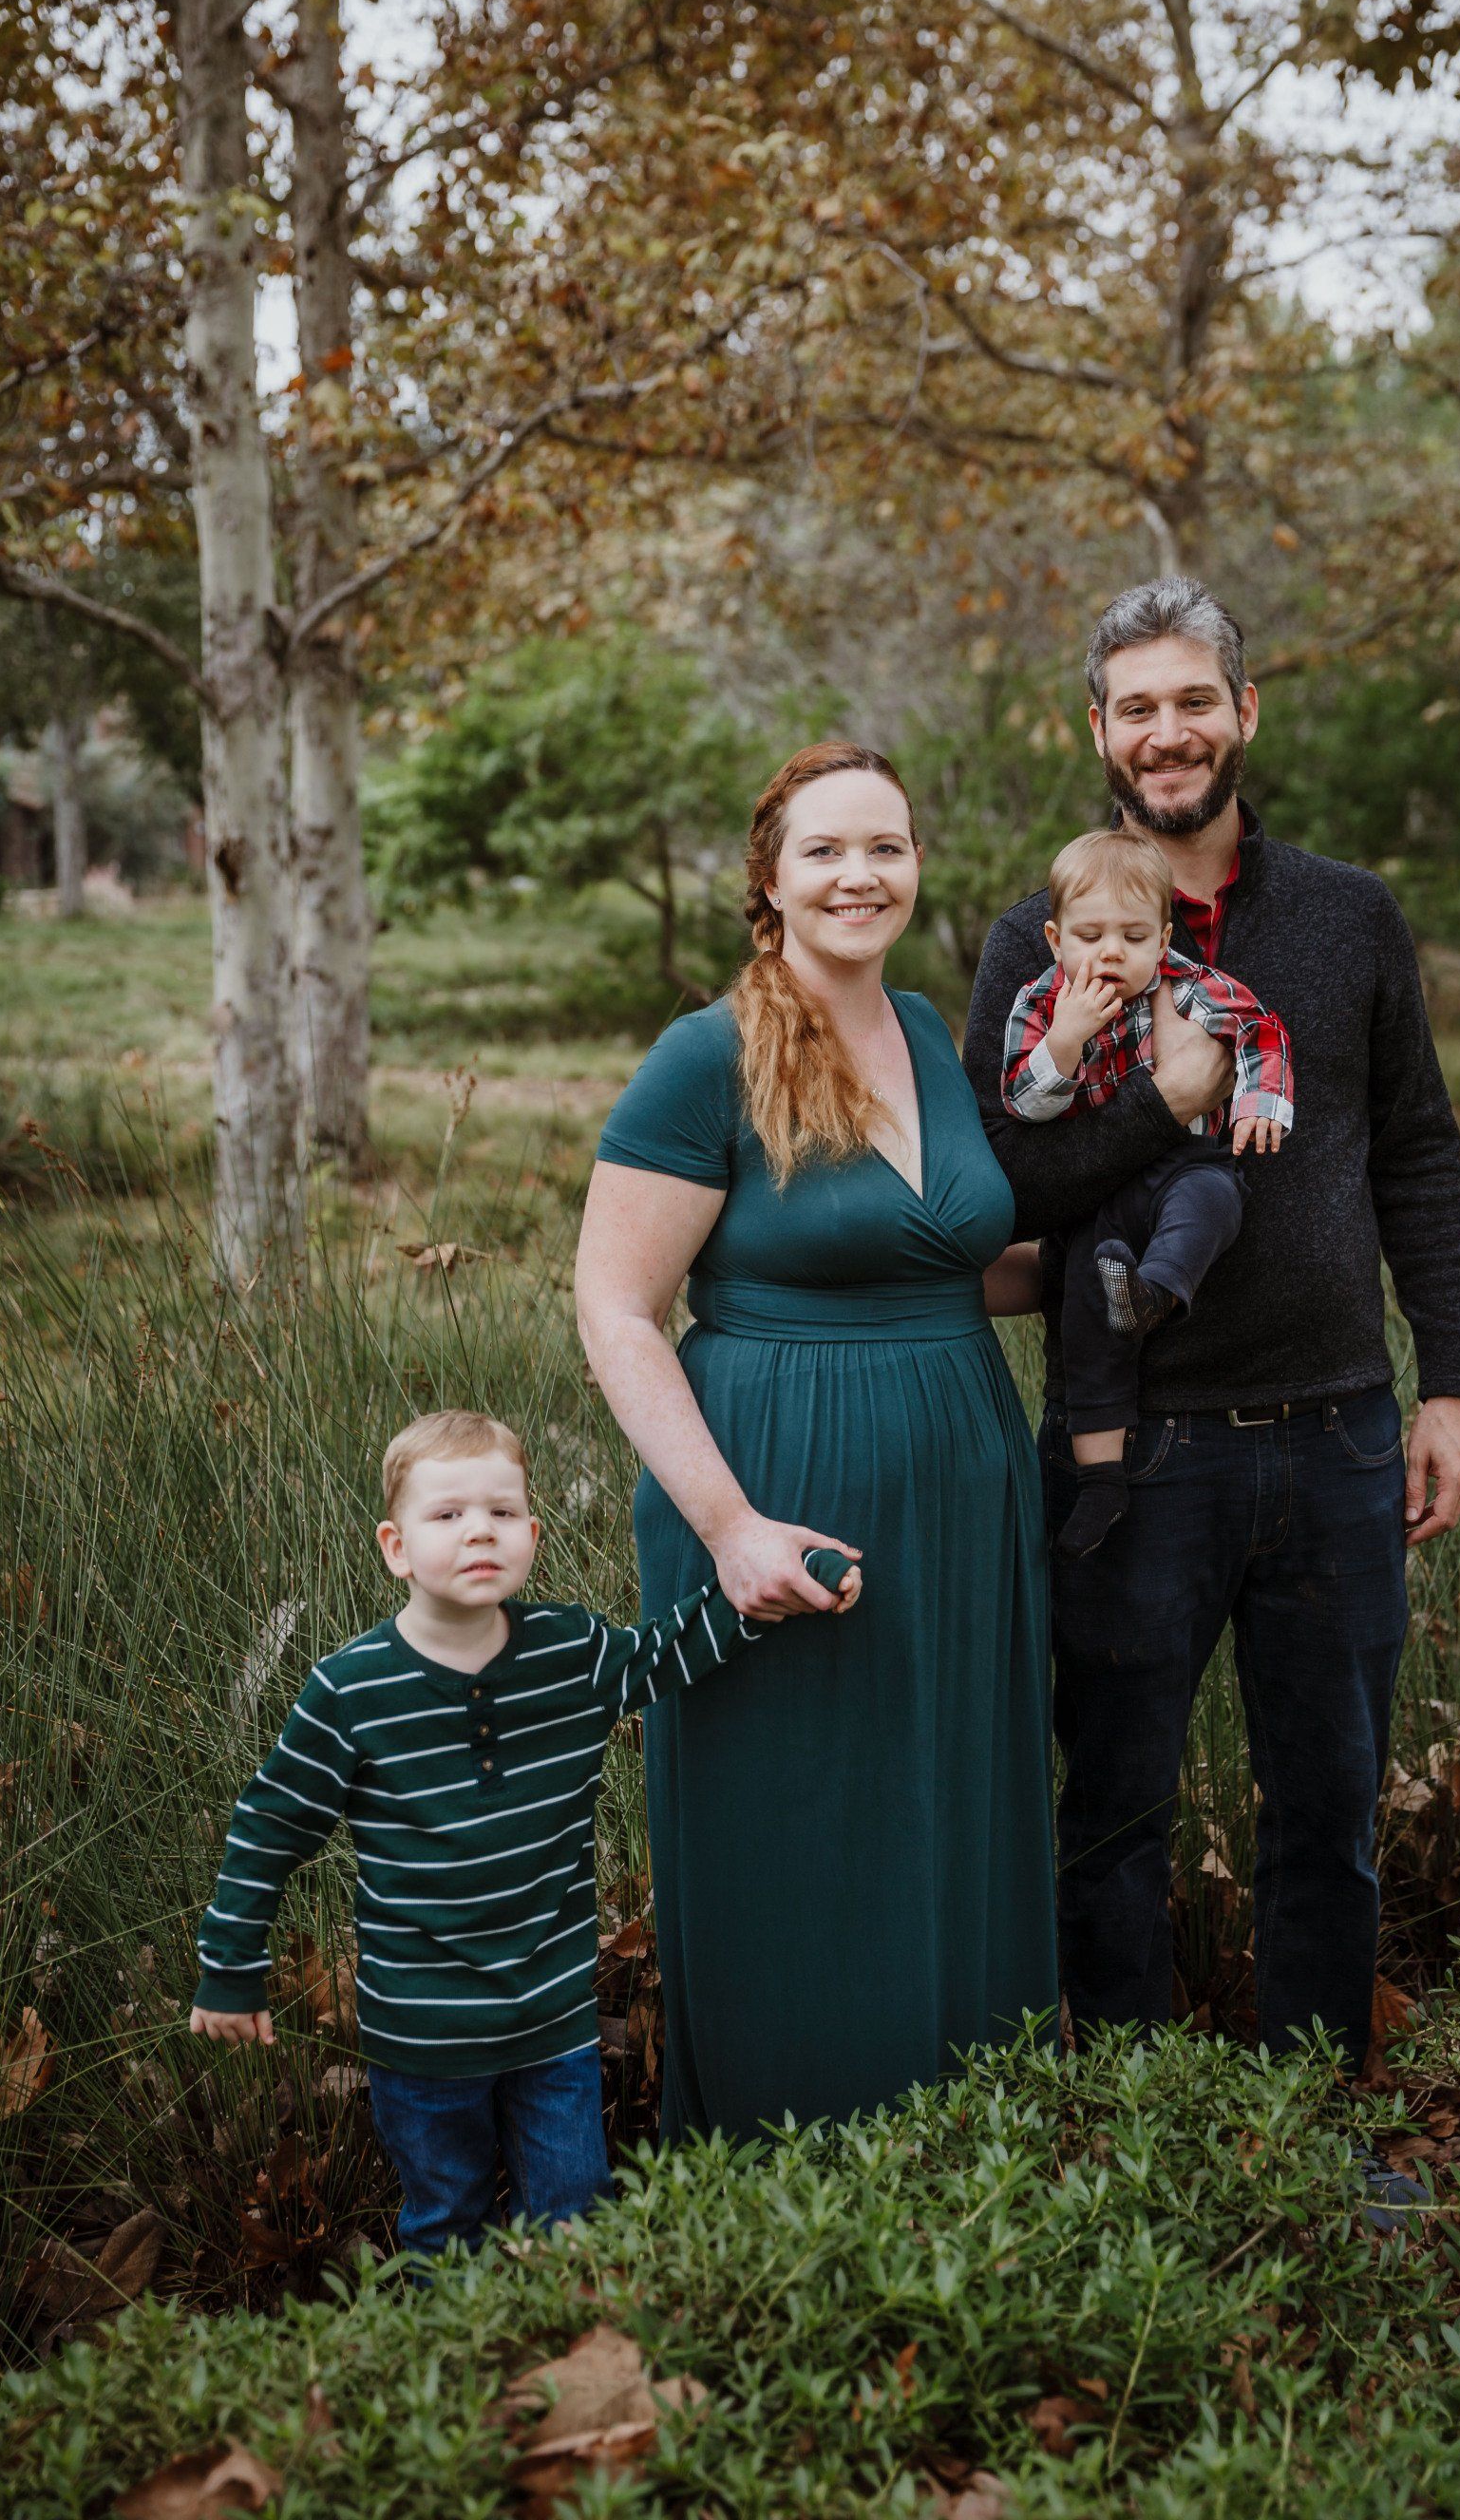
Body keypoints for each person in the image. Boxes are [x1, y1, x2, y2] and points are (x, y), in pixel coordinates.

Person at [964, 577, 1460, 2112]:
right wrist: (1163, 1104)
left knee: (1326, 1814)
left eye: (1195, 700)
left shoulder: (1348, 915)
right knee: (1114, 1814)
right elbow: (1003, 1190)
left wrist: (1449, 1386)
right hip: (1135, 1457)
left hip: (1339, 1435)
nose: (1168, 732)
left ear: (1243, 712)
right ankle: (1142, 2144)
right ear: (1098, 732)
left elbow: (1417, 1152)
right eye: (1137, 708)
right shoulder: (1036, 942)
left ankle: (1318, 2133)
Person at [576, 740, 1056, 2143]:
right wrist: (729, 1528)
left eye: (885, 847)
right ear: (771, 881)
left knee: (952, 1811)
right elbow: (614, 1306)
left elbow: (943, 1263)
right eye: (827, 850)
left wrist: (1153, 1260)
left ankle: (962, 2152)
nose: (861, 875)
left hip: (964, 1487)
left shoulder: (925, 1029)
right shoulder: (707, 1054)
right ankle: (792, 2166)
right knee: (800, 1831)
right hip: (776, 1491)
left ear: (918, 866)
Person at [187, 1408, 781, 2256]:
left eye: (502, 1512)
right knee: (446, 2222)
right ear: (396, 1547)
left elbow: (667, 1652)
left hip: (552, 2019)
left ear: (532, 1536)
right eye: (448, 1514)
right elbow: (271, 1825)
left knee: (572, 2218)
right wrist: (229, 1969)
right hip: (422, 2035)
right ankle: (452, 2335)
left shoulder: (570, 1653)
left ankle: (569, 2335)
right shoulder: (351, 1692)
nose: (479, 1531)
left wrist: (768, 1586)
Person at [1000, 824, 1292, 1560]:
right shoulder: (1041, 1002)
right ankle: (1102, 1481)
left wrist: (1259, 1104)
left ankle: (1156, 1291)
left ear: (1162, 940)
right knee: (1085, 1309)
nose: (1110, 953)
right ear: (1055, 938)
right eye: (1089, 935)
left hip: (1186, 1162)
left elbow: (1261, 1031)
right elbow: (1022, 1103)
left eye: (1133, 937)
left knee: (1212, 1200)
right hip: (1098, 1191)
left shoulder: (1189, 987)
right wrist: (1066, 1040)